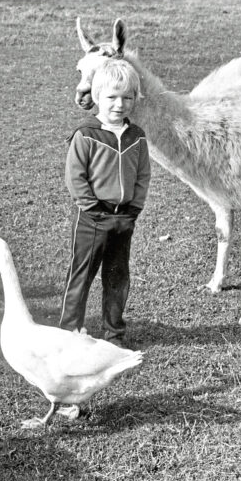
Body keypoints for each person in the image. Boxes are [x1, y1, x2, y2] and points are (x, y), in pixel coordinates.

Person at [59, 58, 151, 348]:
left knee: (117, 277)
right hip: (92, 219)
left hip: (123, 219)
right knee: (82, 276)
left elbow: (143, 175)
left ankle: (114, 335)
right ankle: (70, 334)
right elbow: (76, 176)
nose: (119, 104)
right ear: (97, 97)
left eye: (127, 97)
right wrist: (92, 208)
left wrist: (133, 210)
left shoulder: (137, 136)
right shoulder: (86, 134)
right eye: (111, 97)